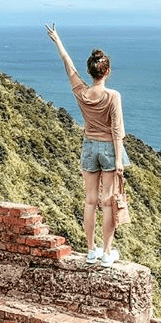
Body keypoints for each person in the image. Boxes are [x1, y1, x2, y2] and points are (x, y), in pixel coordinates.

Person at [46, 24, 130, 267]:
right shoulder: (113, 96)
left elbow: (67, 63)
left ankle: (91, 251)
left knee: (90, 201)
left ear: (90, 71)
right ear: (108, 71)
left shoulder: (81, 93)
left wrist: (58, 40)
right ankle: (106, 253)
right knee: (108, 201)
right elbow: (117, 131)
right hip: (108, 150)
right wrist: (117, 160)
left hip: (89, 148)